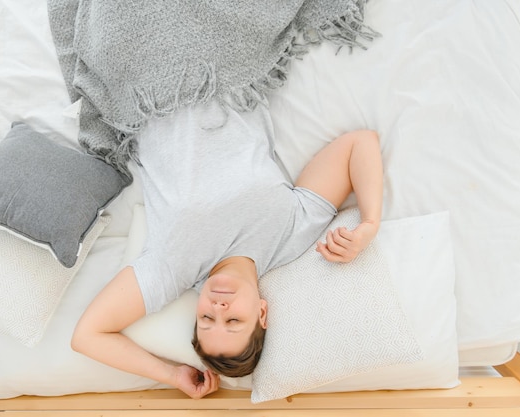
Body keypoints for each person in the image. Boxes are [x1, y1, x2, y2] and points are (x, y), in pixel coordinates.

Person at [70, 101, 383, 400]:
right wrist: (369, 224)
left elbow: (87, 335)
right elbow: (359, 144)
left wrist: (173, 375)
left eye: (206, 317)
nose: (219, 307)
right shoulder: (293, 235)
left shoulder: (171, 270)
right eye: (233, 321)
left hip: (150, 93)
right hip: (223, 71)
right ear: (262, 312)